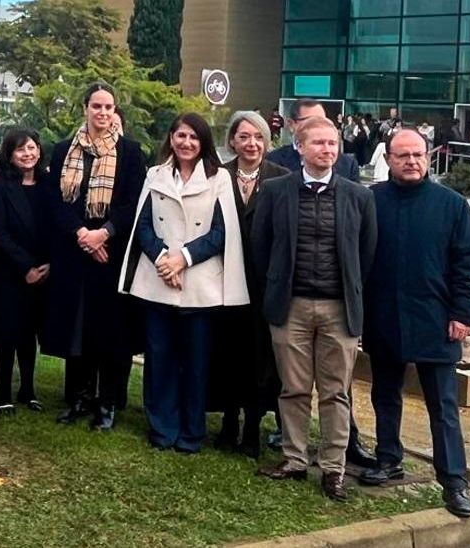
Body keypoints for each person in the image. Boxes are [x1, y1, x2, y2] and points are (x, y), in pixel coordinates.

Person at [251, 115, 377, 501]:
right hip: (291, 308)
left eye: (332, 144)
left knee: (336, 392)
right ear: (300, 148)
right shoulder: (275, 191)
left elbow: (366, 254)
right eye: (319, 143)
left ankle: (334, 468)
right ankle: (294, 458)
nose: (327, 150)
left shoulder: (359, 196)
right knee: (293, 388)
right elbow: (261, 247)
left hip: (339, 310)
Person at [361, 129, 470, 518]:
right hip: (383, 317)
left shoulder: (452, 204)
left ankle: (454, 481)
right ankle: (388, 458)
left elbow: (468, 263)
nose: (411, 161)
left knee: (443, 407)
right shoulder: (372, 201)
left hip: (437, 320)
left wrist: (464, 314)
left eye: (417, 155)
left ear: (428, 157)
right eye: (402, 156)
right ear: (389, 159)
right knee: (385, 395)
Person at [120, 114, 248, 453]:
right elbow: (143, 226)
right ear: (171, 138)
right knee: (159, 358)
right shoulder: (155, 174)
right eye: (180, 135)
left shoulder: (219, 177)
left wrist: (184, 258)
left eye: (193, 137)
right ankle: (162, 427)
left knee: (196, 363)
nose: (186, 143)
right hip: (158, 280)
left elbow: (222, 232)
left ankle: (192, 432)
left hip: (201, 286)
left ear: (203, 141)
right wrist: (165, 259)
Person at [41, 82, 147, 431]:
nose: (103, 113)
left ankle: (109, 402)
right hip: (75, 252)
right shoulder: (62, 151)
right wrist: (82, 235)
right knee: (79, 327)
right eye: (96, 106)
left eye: (109, 107)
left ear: (115, 111)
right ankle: (80, 396)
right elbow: (55, 201)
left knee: (111, 330)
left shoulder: (130, 152)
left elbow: (133, 202)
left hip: (111, 255)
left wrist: (105, 233)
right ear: (85, 108)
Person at [215, 111, 289, 457]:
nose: (251, 143)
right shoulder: (217, 175)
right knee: (227, 353)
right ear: (232, 140)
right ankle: (228, 422)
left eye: (258, 137)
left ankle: (253, 427)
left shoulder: (281, 178)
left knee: (260, 358)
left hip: (263, 283)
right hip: (224, 278)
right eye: (244, 136)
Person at [0, 127, 51, 414]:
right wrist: (24, 266)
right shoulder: (1, 185)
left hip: (43, 271)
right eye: (21, 149)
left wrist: (48, 263)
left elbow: (57, 225)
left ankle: (28, 388)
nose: (28, 154)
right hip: (11, 271)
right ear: (10, 155)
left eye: (32, 147)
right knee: (8, 333)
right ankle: (4, 393)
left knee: (30, 334)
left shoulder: (49, 183)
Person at [266, 99, 361, 181]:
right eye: (311, 121)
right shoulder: (273, 161)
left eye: (322, 121)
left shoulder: (348, 165)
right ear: (291, 124)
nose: (318, 126)